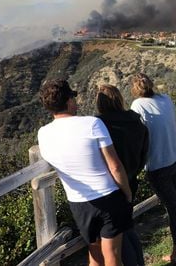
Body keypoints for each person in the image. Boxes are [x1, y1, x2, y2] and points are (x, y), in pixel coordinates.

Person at [38, 79, 132, 266]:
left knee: (95, 255)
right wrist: (127, 194)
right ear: (69, 101)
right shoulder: (92, 124)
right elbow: (115, 166)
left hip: (78, 202)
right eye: (73, 97)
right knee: (112, 256)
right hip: (108, 196)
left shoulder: (43, 133)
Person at [130, 73, 176, 264]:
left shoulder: (137, 106)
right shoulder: (166, 99)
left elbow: (138, 135)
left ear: (135, 90)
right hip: (174, 160)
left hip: (157, 166)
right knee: (173, 209)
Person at [96, 85, 149, 266]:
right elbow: (144, 154)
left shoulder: (99, 127)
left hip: (110, 187)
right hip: (131, 181)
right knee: (127, 227)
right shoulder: (137, 122)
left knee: (118, 236)